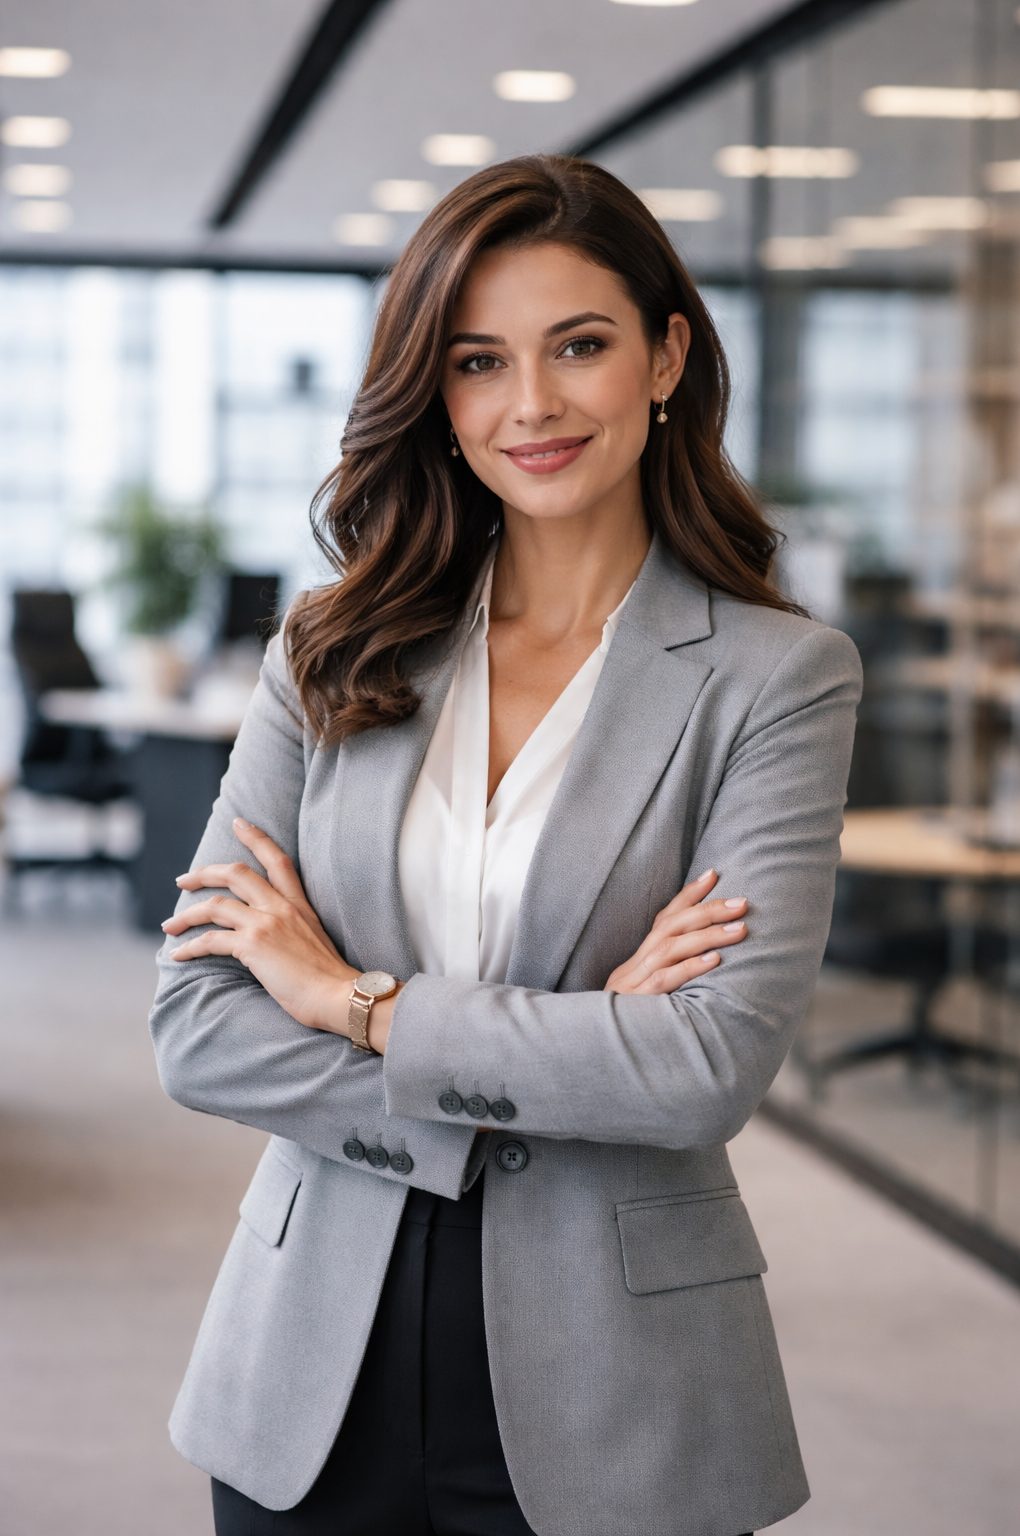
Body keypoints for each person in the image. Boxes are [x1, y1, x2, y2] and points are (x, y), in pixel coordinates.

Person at [150, 155, 861, 1536]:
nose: (528, 405)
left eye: (578, 346)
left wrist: (349, 1001)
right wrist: (583, 1037)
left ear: (663, 357)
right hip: (308, 1367)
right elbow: (199, 1028)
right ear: (438, 392)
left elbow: (706, 1068)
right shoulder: (331, 647)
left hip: (622, 1382)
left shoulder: (777, 678)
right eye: (478, 361)